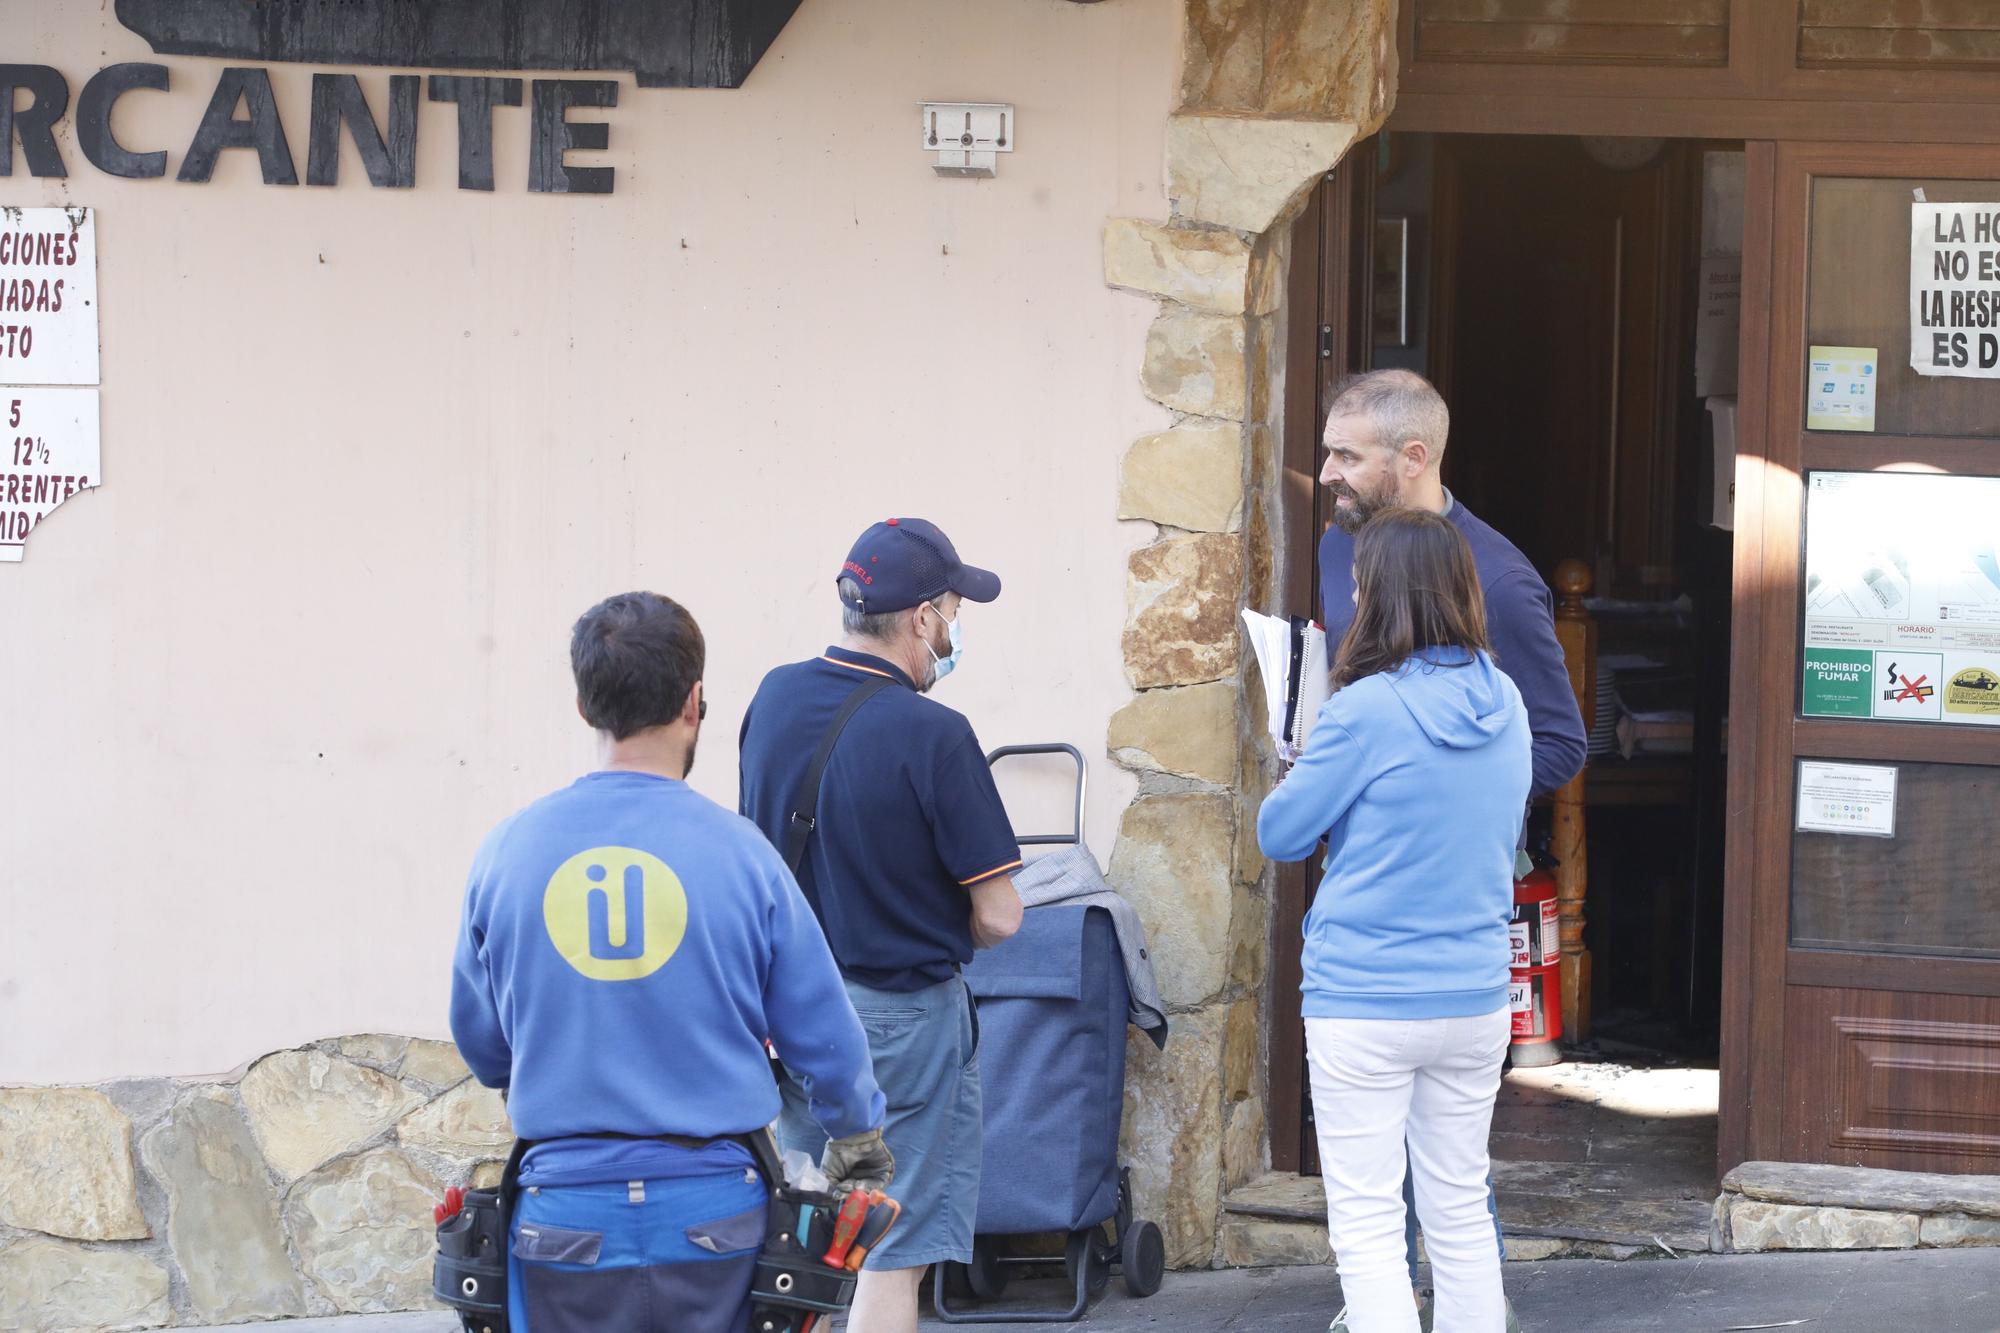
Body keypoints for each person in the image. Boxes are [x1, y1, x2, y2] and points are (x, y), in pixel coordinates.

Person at [448, 591, 894, 1333]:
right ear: (695, 701)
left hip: (561, 1217)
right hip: (719, 1213)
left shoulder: (507, 853)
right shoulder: (743, 854)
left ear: (586, 705)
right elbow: (824, 1029)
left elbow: (486, 1047)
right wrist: (858, 1133)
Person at [1316, 368, 1586, 1331]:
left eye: (1347, 455)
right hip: (1359, 896)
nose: (1326, 473)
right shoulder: (1335, 548)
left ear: (1413, 457)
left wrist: (1440, 790)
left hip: (1454, 904)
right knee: (1389, 1172)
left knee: (1450, 1185)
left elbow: (1561, 739)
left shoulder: (1498, 577)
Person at [739, 517, 1025, 1333]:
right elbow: (1000, 915)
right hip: (899, 1020)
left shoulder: (774, 696)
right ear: (923, 619)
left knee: (811, 1234)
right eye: (953, 610)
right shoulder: (934, 733)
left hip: (790, 1012)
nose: (954, 629)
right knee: (887, 1243)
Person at [1260, 508, 1532, 1333]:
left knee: (1371, 1220)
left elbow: (1281, 832)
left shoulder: (1365, 710)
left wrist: (1303, 762)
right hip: (1475, 993)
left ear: (1381, 595)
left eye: (1358, 580)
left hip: (1366, 998)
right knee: (1457, 1206)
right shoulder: (1509, 703)